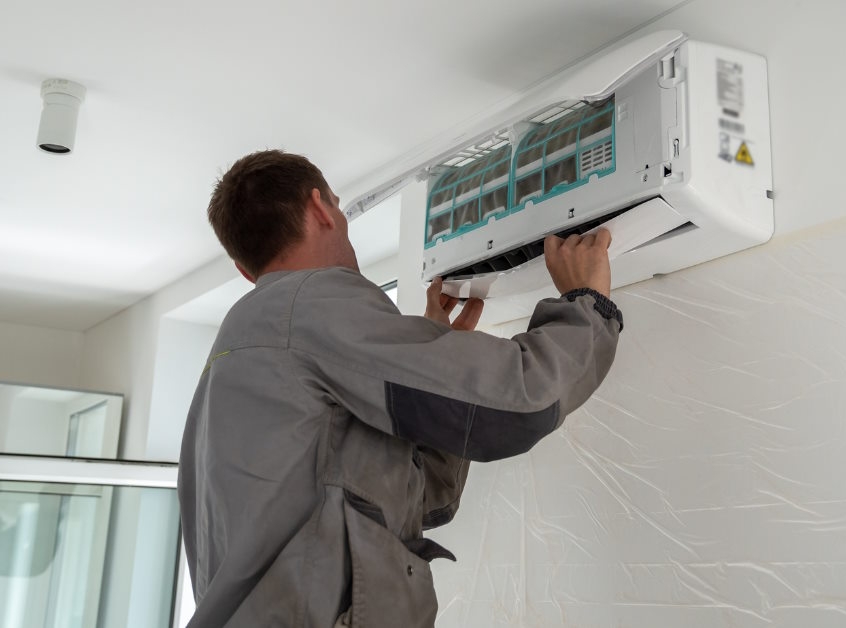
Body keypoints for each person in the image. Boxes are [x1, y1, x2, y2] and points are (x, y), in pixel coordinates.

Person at [178, 149, 622, 627]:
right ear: (321, 208)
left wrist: (434, 357)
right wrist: (587, 305)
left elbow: (409, 499)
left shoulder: (239, 356)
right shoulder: (309, 307)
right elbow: (520, 401)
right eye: (338, 206)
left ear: (248, 272)